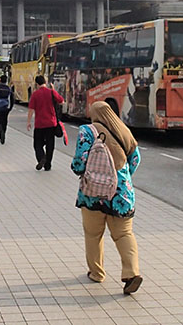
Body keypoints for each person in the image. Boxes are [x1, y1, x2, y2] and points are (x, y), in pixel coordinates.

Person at [71, 101, 142, 295]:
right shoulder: (124, 131)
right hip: (122, 194)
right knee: (124, 234)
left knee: (93, 234)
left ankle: (97, 273)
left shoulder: (87, 131)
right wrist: (120, 178)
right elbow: (135, 160)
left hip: (93, 193)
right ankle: (131, 273)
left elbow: (79, 163)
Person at [27, 75, 63, 171]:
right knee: (50, 145)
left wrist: (28, 122)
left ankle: (41, 158)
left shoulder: (35, 94)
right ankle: (48, 165)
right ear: (45, 82)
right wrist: (54, 90)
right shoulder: (51, 92)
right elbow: (61, 101)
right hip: (51, 123)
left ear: (36, 84)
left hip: (39, 124)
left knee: (37, 144)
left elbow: (31, 109)